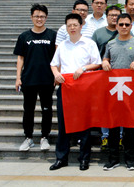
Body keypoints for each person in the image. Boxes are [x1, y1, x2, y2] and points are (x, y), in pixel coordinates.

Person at [49, 13, 102, 171]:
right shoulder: (62, 45)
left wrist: (83, 68)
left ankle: (84, 158)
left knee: (84, 124)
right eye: (69, 25)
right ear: (66, 27)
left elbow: (97, 63)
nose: (72, 28)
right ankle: (61, 158)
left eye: (75, 25)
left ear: (81, 26)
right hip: (66, 88)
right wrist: (56, 74)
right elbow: (53, 64)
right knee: (63, 123)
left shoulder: (89, 43)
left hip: (83, 88)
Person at [101, 13, 134, 171]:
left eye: (127, 24)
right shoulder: (110, 44)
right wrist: (104, 62)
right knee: (113, 126)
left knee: (129, 127)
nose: (123, 27)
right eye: (121, 24)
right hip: (114, 91)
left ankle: (130, 159)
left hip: (131, 91)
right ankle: (113, 159)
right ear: (116, 26)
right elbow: (105, 59)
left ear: (131, 26)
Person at [14, 4, 57, 152]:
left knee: (47, 109)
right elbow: (20, 58)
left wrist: (57, 74)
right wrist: (18, 77)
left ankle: (45, 137)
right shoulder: (24, 36)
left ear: (46, 17)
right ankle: (28, 138)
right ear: (31, 17)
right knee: (28, 110)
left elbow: (57, 57)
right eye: (37, 16)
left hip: (47, 79)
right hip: (29, 79)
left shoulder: (52, 35)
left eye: (42, 16)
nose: (39, 19)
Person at [91, 4, 121, 149]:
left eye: (117, 15)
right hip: (102, 75)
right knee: (105, 107)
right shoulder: (98, 33)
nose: (114, 18)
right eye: (111, 15)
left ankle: (120, 136)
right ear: (106, 17)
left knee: (120, 107)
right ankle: (105, 136)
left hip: (121, 77)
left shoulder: (125, 32)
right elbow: (93, 53)